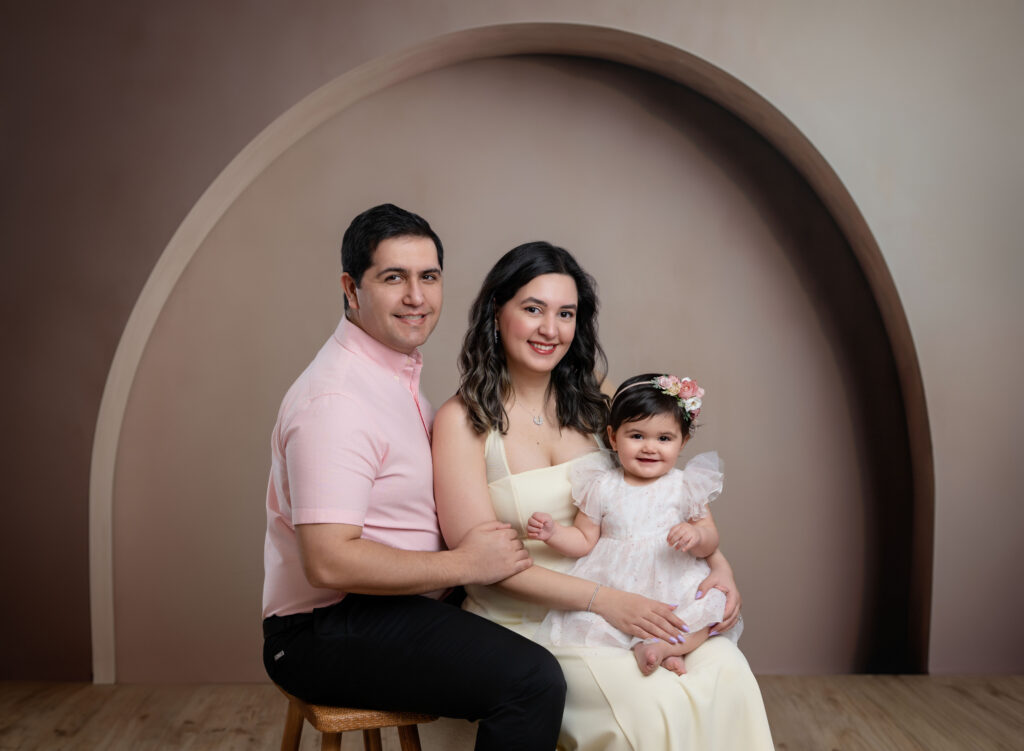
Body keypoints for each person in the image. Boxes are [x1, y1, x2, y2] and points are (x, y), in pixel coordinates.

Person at [432, 241, 773, 750]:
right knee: (649, 703)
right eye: (533, 309)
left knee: (727, 668)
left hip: (631, 598)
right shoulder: (461, 421)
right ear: (495, 313)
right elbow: (483, 562)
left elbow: (656, 489)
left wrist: (717, 564)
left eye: (565, 313)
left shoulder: (597, 396)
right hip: (528, 623)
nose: (551, 329)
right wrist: (605, 601)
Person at [261, 204, 566, 751]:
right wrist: (466, 564)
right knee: (531, 680)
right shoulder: (336, 401)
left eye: (428, 277)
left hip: (400, 602)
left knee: (552, 625)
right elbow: (328, 560)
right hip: (323, 629)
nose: (417, 298)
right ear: (352, 290)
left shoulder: (392, 374)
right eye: (393, 278)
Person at [529, 372, 742, 677]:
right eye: (637, 436)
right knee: (595, 625)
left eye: (664, 438)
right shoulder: (601, 485)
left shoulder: (685, 486)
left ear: (683, 442)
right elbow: (583, 539)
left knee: (709, 608)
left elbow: (711, 539)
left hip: (672, 575)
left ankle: (665, 649)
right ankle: (653, 650)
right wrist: (554, 534)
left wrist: (696, 535)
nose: (649, 447)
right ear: (614, 437)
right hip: (617, 581)